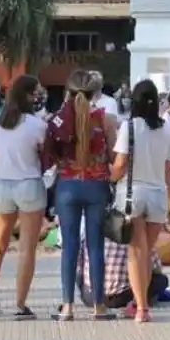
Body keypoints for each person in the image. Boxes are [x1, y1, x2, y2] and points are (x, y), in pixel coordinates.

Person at [42, 69, 118, 321]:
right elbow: (113, 157)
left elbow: (49, 155)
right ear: (95, 93)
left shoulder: (58, 120)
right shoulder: (105, 120)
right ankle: (99, 305)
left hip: (67, 186)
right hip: (97, 186)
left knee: (69, 247)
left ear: (68, 92)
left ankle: (67, 307)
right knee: (95, 246)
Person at [0, 75, 48, 319]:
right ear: (27, 95)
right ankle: (20, 304)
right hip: (29, 183)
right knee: (27, 248)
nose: (38, 97)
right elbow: (43, 153)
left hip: (2, 185)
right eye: (35, 93)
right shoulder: (37, 125)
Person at [110, 80, 170, 323]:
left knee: (136, 252)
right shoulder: (167, 129)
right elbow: (169, 169)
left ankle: (141, 308)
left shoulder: (129, 127)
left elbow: (120, 164)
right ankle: (142, 303)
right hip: (158, 193)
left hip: (132, 193)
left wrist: (110, 178)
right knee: (147, 251)